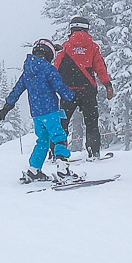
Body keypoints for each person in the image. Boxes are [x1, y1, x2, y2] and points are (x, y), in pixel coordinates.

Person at [0, 38, 78, 184]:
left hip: (37, 115)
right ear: (49, 54)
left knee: (42, 141)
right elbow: (59, 86)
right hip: (51, 111)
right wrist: (72, 96)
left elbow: (17, 90)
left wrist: (7, 106)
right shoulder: (48, 69)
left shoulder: (27, 72)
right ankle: (63, 170)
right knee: (59, 137)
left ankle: (34, 170)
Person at [53, 16, 115, 159]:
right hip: (88, 90)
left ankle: (57, 153)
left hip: (68, 91)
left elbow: (56, 68)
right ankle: (94, 151)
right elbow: (100, 68)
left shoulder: (65, 47)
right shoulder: (93, 47)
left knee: (62, 123)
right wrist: (107, 84)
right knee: (91, 122)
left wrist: (53, 87)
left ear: (72, 28)